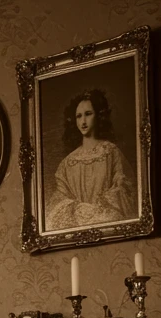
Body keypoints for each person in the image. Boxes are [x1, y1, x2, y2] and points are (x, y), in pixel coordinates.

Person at [45, 89, 136, 231]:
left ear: (99, 116)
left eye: (88, 114)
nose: (83, 121)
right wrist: (79, 209)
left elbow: (123, 187)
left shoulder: (110, 152)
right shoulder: (67, 162)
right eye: (78, 116)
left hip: (106, 220)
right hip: (76, 223)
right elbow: (59, 199)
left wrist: (100, 207)